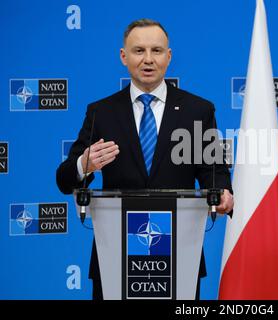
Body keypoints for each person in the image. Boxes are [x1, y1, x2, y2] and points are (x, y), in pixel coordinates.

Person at [56, 18, 234, 300]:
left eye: (157, 50)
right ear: (124, 57)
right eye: (139, 51)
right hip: (115, 255)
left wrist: (223, 191)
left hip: (179, 254)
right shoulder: (101, 112)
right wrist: (83, 165)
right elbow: (65, 180)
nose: (148, 59)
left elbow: (213, 169)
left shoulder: (197, 110)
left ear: (169, 56)